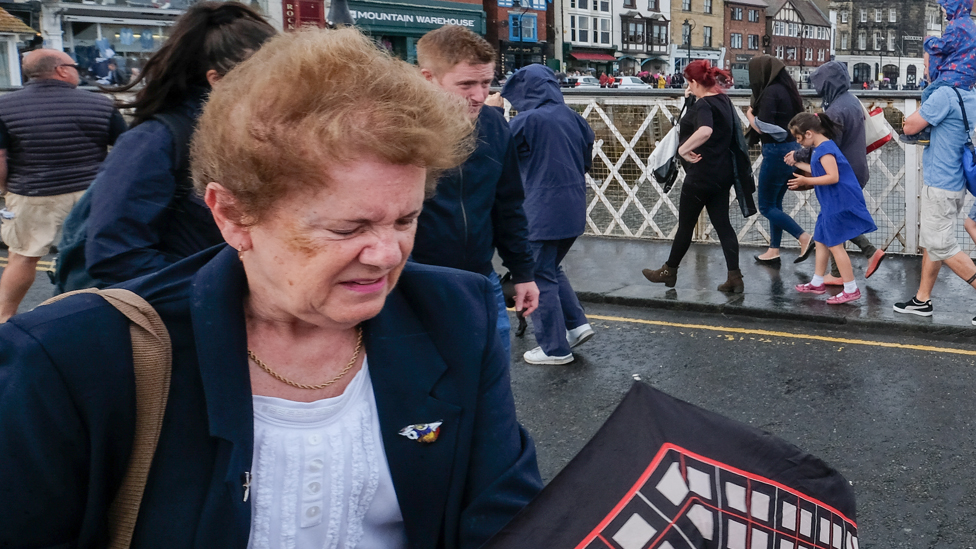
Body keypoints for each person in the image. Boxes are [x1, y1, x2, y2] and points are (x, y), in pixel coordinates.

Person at [0, 28, 542, 547]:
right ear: (232, 214)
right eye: (346, 227)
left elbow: (506, 515)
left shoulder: (456, 314)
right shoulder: (72, 358)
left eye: (406, 220)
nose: (387, 254)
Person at [82, 2, 275, 288]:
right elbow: (115, 255)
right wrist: (220, 293)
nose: (283, 85)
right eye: (266, 76)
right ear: (218, 81)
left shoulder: (259, 134)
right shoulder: (155, 140)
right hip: (191, 315)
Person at [414, 25, 539, 359]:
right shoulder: (400, 131)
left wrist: (523, 272)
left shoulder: (494, 126)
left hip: (481, 282)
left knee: (491, 386)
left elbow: (508, 204)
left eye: (486, 83)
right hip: (415, 285)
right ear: (428, 78)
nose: (481, 96)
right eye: (466, 84)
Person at [0, 48, 126, 321]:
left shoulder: (4, 107)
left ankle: (4, 319)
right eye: (74, 66)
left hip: (32, 194)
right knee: (91, 256)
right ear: (61, 70)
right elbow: (125, 150)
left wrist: (5, 190)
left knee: (23, 257)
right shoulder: (101, 104)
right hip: (91, 193)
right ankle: (87, 316)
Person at [500, 64, 595, 365]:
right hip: (573, 209)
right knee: (550, 269)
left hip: (540, 211)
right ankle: (577, 325)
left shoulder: (526, 121)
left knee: (537, 276)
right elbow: (585, 162)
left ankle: (554, 349)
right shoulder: (575, 119)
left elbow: (496, 157)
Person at [642, 60, 744, 293]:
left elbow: (705, 130)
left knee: (685, 227)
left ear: (694, 82)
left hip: (701, 175)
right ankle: (735, 277)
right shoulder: (723, 101)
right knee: (723, 225)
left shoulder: (705, 105)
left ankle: (669, 271)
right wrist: (690, 99)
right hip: (722, 173)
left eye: (689, 82)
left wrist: (682, 149)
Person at [893, 53, 976, 324]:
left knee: (942, 244)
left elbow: (909, 125)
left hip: (939, 184)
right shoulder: (969, 94)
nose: (927, 68)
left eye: (929, 63)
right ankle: (922, 299)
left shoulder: (944, 95)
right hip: (955, 183)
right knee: (933, 241)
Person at [798, 61, 887, 283]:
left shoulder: (836, 109)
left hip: (841, 172)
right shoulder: (851, 100)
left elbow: (826, 145)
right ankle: (839, 271)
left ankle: (859, 261)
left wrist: (798, 156)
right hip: (857, 167)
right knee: (835, 218)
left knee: (833, 219)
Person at [786, 113, 877, 304]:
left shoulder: (824, 150)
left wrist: (805, 180)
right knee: (820, 239)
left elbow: (832, 176)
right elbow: (820, 169)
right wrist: (797, 163)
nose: (798, 141)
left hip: (839, 201)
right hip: (832, 201)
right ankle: (818, 282)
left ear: (809, 134)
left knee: (835, 245)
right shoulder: (822, 147)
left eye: (798, 137)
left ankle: (851, 288)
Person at [747, 55, 814, 266]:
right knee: (776, 203)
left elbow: (768, 128)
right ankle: (774, 249)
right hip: (792, 149)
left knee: (766, 206)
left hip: (776, 151)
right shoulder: (788, 90)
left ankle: (803, 237)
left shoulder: (769, 92)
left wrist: (750, 116)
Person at [902, 0, 976, 145]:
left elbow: (944, 46)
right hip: (968, 78)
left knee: (927, 93)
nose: (943, 9)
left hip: (954, 74)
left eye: (944, 6)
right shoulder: (971, 26)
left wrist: (929, 41)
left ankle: (925, 131)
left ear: (953, 6)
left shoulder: (956, 26)